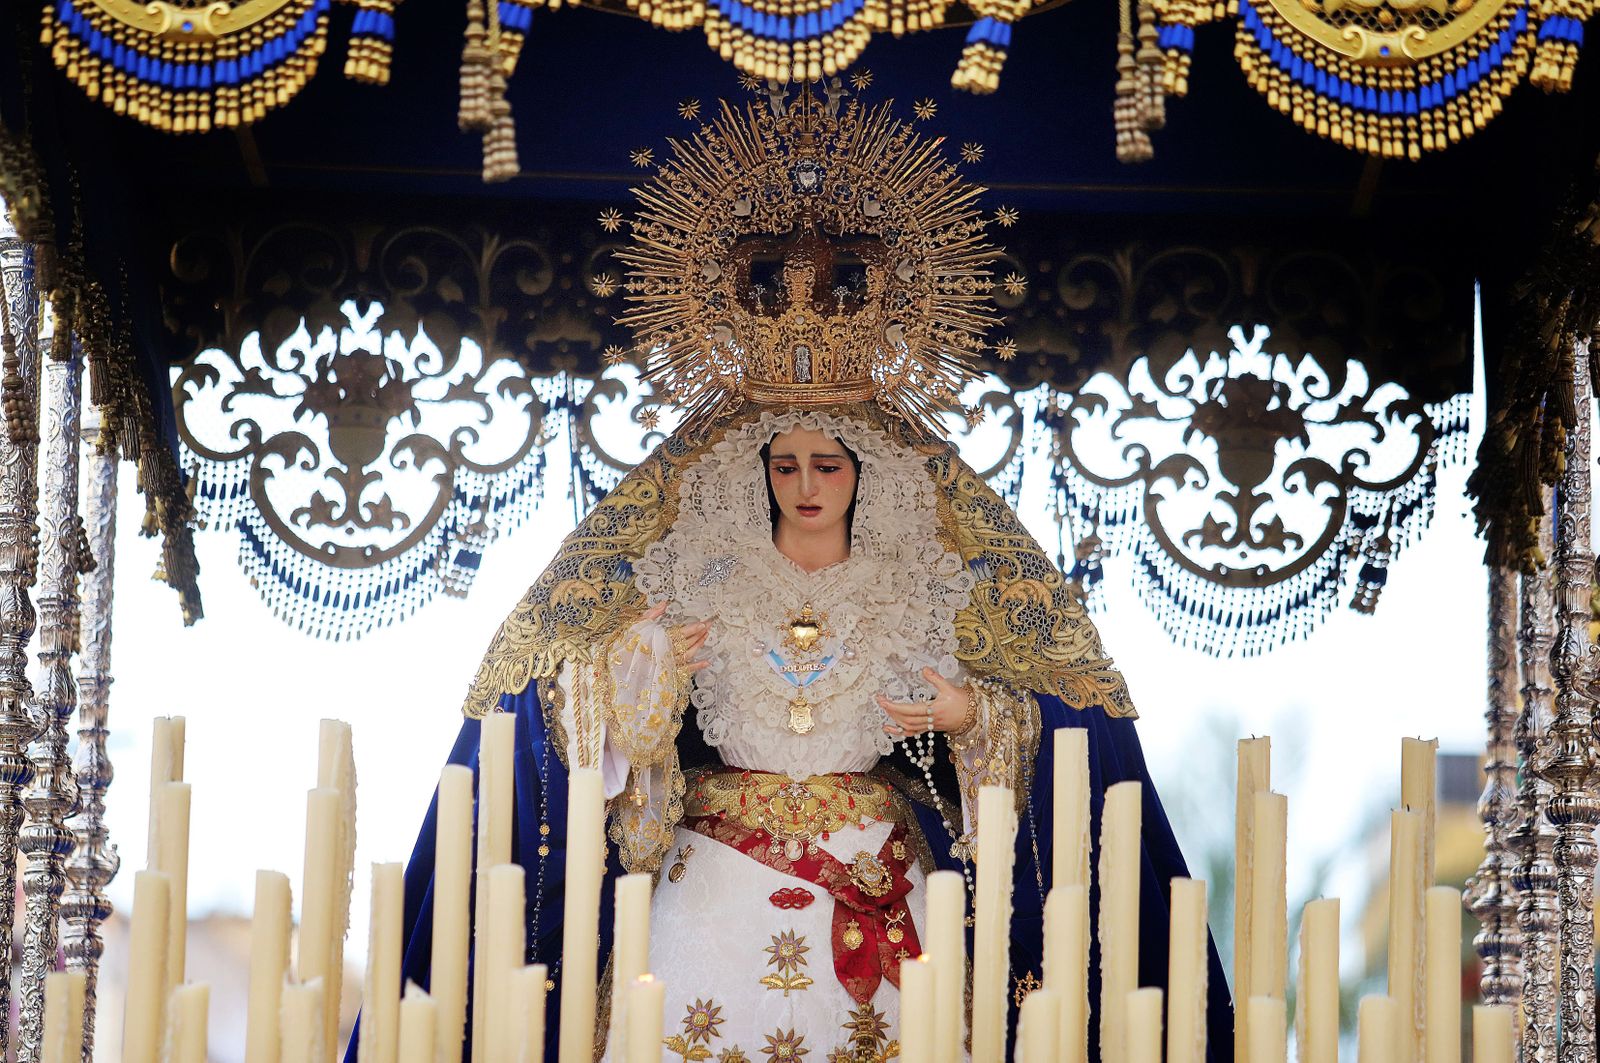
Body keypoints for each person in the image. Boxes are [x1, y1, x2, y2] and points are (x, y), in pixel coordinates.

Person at [376, 81, 1233, 1061]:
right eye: (784, 466)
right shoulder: (683, 549)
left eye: (827, 466)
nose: (804, 485)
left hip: (880, 875)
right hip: (705, 888)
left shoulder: (932, 568)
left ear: (868, 474)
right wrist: (637, 677)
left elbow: (1071, 730)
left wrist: (974, 720)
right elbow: (543, 707)